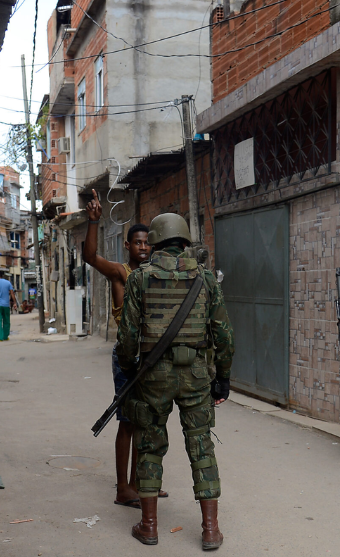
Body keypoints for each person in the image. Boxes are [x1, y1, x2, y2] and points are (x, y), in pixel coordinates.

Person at [116, 213, 234, 551]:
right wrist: (222, 377)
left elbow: (127, 337)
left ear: (153, 242)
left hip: (153, 376)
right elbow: (223, 333)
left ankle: (149, 525)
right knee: (201, 446)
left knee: (150, 444)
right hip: (197, 374)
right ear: (185, 241)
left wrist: (129, 370)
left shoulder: (140, 278)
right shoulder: (206, 278)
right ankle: (210, 529)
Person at [82, 189, 161, 508]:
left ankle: (141, 483)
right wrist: (93, 222)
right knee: (128, 422)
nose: (143, 247)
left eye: (147, 242)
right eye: (138, 242)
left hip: (151, 357)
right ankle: (122, 488)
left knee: (147, 421)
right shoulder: (120, 273)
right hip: (128, 357)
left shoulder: (155, 275)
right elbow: (89, 258)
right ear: (128, 246)